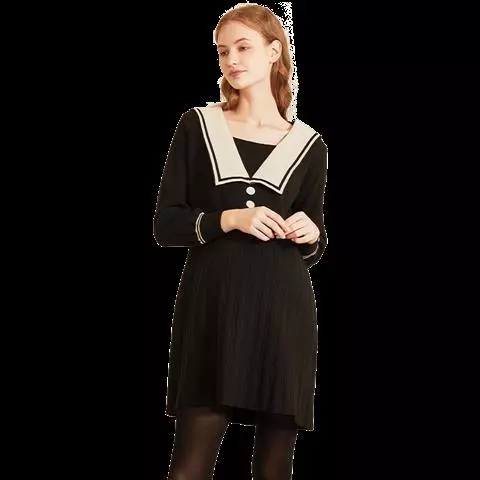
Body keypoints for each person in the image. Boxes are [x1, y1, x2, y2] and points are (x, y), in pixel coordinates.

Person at [153, 3, 328, 478]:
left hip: (283, 310)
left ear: (274, 51)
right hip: (213, 304)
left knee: (273, 469)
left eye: (243, 47)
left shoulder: (310, 146)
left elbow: (314, 239)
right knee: (189, 467)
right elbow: (166, 225)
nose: (231, 60)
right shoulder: (197, 125)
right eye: (222, 51)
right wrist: (230, 218)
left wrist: (312, 233)